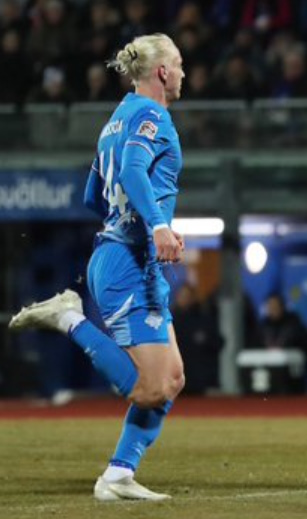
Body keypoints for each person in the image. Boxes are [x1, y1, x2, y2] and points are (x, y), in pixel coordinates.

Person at [9, 34, 187, 501]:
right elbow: (132, 171)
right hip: (126, 261)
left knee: (171, 379)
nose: (183, 73)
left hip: (129, 257)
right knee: (149, 389)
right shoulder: (152, 115)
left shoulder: (114, 122)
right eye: (178, 64)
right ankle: (68, 317)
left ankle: (118, 475)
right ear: (162, 72)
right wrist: (157, 226)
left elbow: (93, 195)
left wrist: (135, 225)